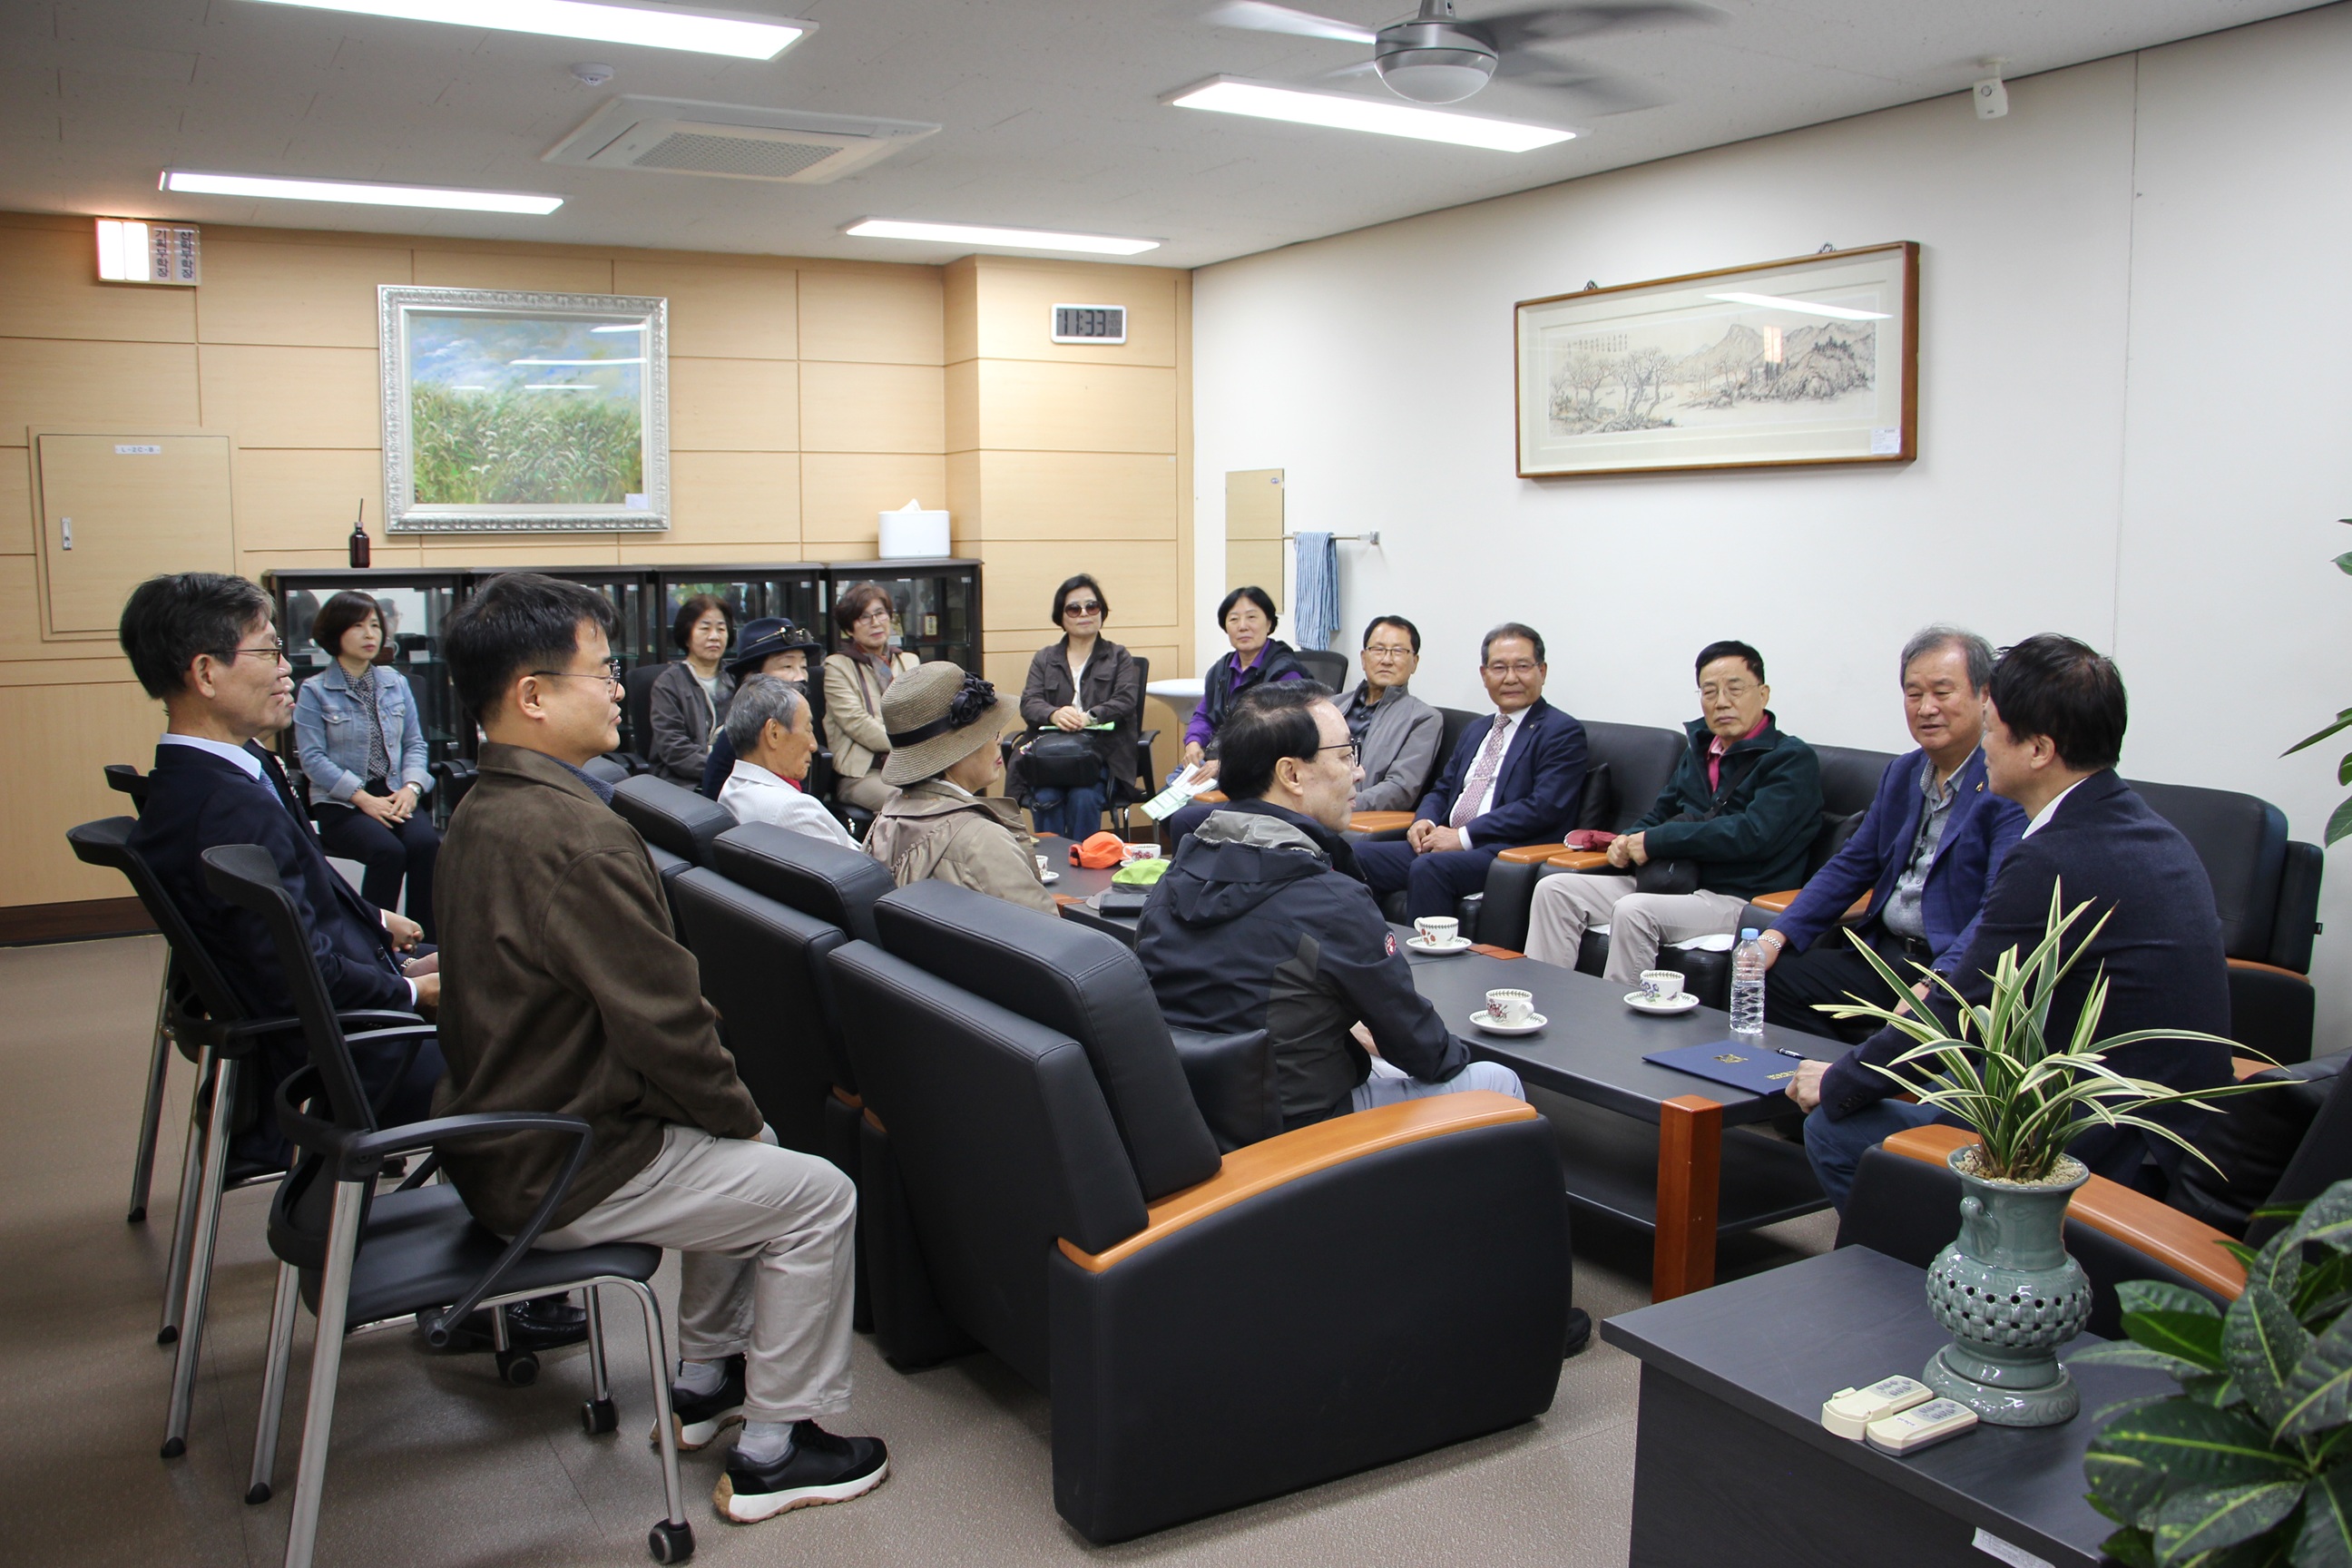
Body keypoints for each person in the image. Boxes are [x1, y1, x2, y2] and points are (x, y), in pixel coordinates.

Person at [433, 571, 886, 1524]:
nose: (618, 690)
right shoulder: (577, 837)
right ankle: (777, 1449)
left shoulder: (480, 807)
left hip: (505, 1139)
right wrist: (745, 1122)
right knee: (813, 1193)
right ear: (532, 696)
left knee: (739, 1159)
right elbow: (668, 1023)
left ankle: (703, 1382)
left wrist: (729, 1127)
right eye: (601, 672)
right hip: (562, 1160)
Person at [1786, 634, 2233, 1210]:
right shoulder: (2143, 829)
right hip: (2169, 1133)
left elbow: (1962, 1008)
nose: (1985, 745)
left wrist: (1839, 1081)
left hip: (2104, 1145)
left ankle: (1948, 1263)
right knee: (1939, 1093)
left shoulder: (2054, 856)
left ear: (2039, 749)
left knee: (1837, 1132)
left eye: (1993, 728)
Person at [117, 573, 444, 1170]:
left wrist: (377, 925)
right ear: (206, 673)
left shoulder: (217, 775)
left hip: (345, 1015)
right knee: (550, 1037)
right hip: (358, 1055)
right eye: (268, 652)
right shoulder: (227, 810)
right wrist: (409, 990)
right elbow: (300, 972)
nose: (286, 668)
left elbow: (299, 907)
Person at [1137, 681, 1527, 1124]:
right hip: (1301, 1135)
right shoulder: (1330, 899)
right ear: (1291, 774)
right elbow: (1427, 1053)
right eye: (1346, 756)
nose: (1359, 772)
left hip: (1193, 1121)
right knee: (1495, 1081)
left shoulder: (1175, 876)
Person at [1761, 628, 2025, 1042]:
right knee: (1774, 977)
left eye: (1942, 692)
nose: (1926, 708)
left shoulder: (2005, 783)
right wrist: (1776, 936)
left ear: (1984, 696)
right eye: (1914, 694)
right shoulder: (1903, 772)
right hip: (1886, 957)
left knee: (1915, 1029)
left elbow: (1999, 908)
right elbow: (1852, 866)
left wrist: (1941, 980)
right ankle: (1822, 1074)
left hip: (1953, 967)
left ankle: (1854, 1075)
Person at [1524, 640, 1821, 984]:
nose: (1722, 702)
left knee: (1635, 910)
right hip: (1674, 882)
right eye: (1710, 692)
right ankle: (1544, 1000)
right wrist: (1626, 841)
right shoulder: (1699, 752)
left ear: (1763, 694)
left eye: (1735, 689)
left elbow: (1753, 834)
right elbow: (1661, 812)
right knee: (1555, 890)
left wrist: (1656, 841)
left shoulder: (1790, 759)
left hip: (1737, 897)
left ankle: (1616, 1017)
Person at [1355, 622, 1587, 921]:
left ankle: (1426, 953)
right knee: (1357, 856)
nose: (1511, 678)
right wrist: (1425, 821)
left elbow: (1543, 807)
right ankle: (1368, 946)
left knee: (1429, 867)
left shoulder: (1561, 731)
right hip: (1448, 841)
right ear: (1484, 675)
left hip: (1504, 850)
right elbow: (1443, 788)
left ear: (1542, 671)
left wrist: (1463, 837)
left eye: (1522, 666)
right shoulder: (1477, 729)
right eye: (1499, 668)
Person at [291, 589, 441, 939]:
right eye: (358, 626)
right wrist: (362, 799)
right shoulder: (314, 691)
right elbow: (312, 759)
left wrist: (412, 788)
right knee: (387, 852)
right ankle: (373, 942)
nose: (370, 634)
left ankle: (427, 944)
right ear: (336, 633)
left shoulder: (395, 683)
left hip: (393, 791)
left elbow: (415, 744)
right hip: (342, 802)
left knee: (426, 846)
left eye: (375, 625)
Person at [862, 662, 1055, 914]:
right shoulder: (981, 839)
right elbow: (1044, 929)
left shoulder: (886, 820)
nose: (999, 739)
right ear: (957, 750)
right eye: (989, 730)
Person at [1009, 573, 1143, 839]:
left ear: (1102, 612)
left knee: (1084, 797)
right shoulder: (1045, 658)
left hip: (1101, 754)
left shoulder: (1118, 656)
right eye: (1074, 608)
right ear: (1061, 617)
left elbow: (1126, 700)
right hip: (1050, 756)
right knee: (1046, 796)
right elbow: (1029, 702)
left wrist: (1091, 717)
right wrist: (1053, 714)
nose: (1084, 614)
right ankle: (1052, 862)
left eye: (1092, 607)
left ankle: (1083, 862)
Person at [1180, 585, 1308, 779]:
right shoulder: (1221, 670)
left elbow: (1282, 737)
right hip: (1218, 761)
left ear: (1269, 623)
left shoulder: (1284, 673)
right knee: (1168, 794)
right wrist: (1193, 742)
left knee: (1191, 800)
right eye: (1234, 619)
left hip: (1262, 772)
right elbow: (1204, 715)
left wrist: (1228, 764)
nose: (1242, 626)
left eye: (1251, 617)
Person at [718, 675, 855, 848]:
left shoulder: (731, 788)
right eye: (808, 730)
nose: (813, 745)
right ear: (774, 733)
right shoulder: (793, 810)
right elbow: (852, 866)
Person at [699, 617, 827, 800]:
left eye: (803, 666)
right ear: (753, 677)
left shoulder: (795, 718)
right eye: (787, 666)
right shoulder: (745, 734)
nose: (800, 677)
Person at [822, 582, 919, 813]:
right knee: (908, 803)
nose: (875, 623)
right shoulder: (837, 666)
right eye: (864, 617)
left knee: (950, 799)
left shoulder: (909, 661)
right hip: (863, 773)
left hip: (910, 767)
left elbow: (919, 713)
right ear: (849, 629)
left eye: (880, 613)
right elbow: (856, 721)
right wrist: (907, 743)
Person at [1338, 614, 1444, 813]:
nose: (1386, 660)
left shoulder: (1423, 719)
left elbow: (1399, 790)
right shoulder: (1331, 705)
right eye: (1378, 650)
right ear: (1363, 658)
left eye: (1398, 651)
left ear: (1414, 662)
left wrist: (1337, 805)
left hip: (1356, 817)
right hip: (1309, 809)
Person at [646, 593, 736, 785]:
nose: (714, 636)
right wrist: (721, 770)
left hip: (733, 778)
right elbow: (674, 749)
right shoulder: (668, 684)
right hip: (685, 781)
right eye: (705, 628)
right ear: (687, 635)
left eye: (721, 629)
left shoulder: (737, 678)